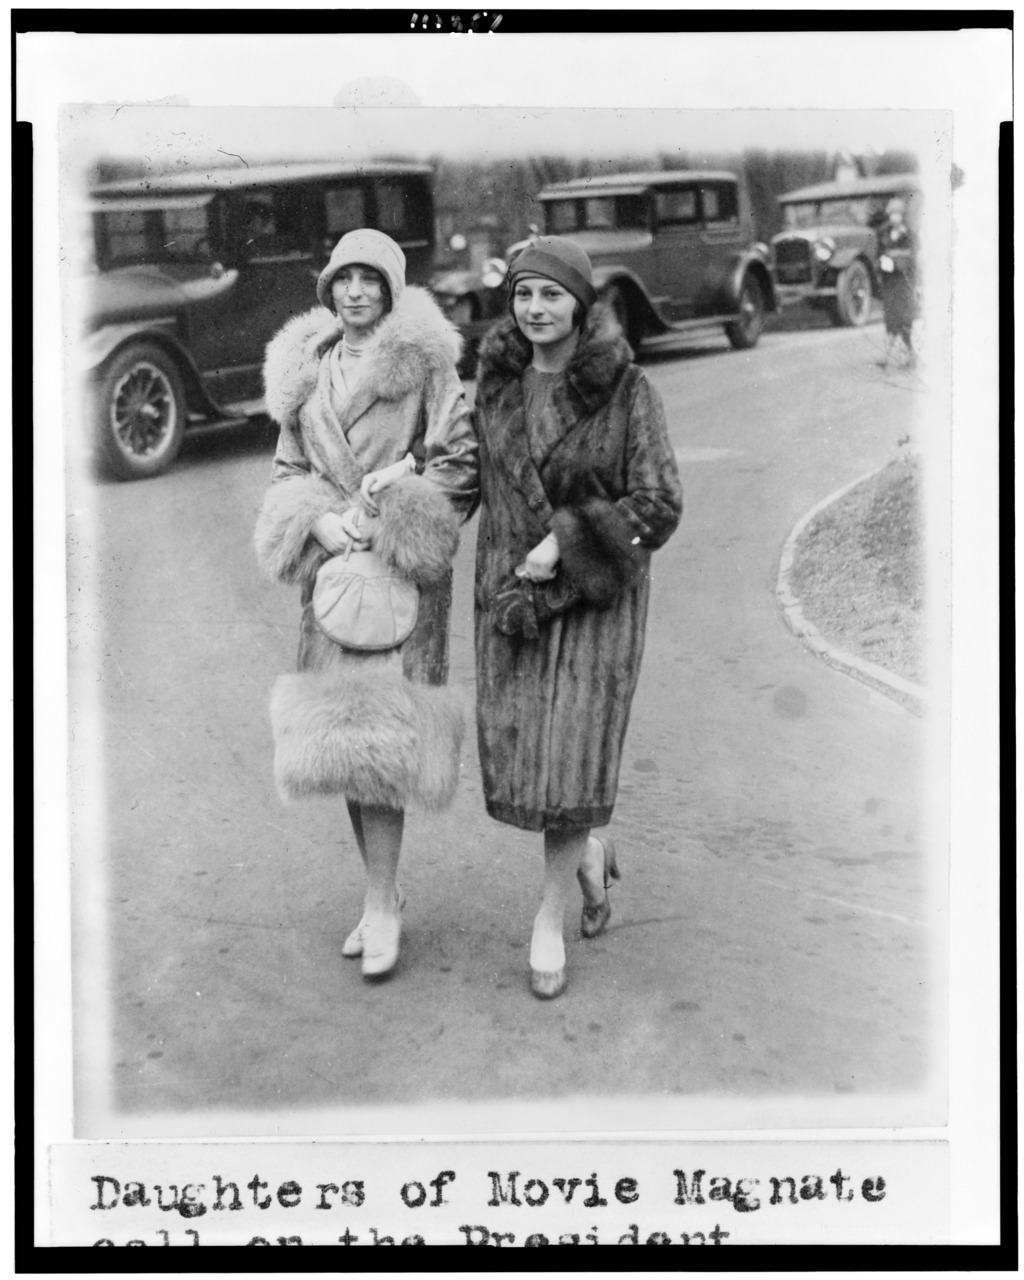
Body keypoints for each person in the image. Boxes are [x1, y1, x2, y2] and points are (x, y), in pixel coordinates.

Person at [254, 228, 477, 980]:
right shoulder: (307, 372)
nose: (355, 291)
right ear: (328, 288)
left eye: (370, 279)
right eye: (343, 278)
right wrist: (317, 521)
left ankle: (381, 901)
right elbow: (287, 470)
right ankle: (382, 890)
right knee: (344, 745)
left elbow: (460, 463)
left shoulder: (427, 365)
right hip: (333, 577)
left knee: (381, 742)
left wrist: (396, 505)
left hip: (397, 575)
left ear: (391, 288)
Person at [472, 236, 683, 1000]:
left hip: (593, 601)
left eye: (551, 295)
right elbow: (465, 480)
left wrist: (564, 543)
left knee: (569, 763)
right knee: (528, 764)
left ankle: (549, 918)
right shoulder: (494, 385)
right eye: (523, 294)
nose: (535, 309)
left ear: (580, 304)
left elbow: (658, 504)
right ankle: (588, 856)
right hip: (512, 598)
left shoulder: (627, 389)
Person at [876, 197, 920, 368]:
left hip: (904, 282)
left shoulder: (910, 234)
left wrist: (896, 264)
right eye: (892, 214)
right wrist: (881, 264)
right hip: (889, 282)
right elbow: (878, 254)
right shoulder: (883, 233)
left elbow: (912, 258)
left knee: (904, 320)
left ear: (903, 215)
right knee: (891, 320)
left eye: (898, 214)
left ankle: (904, 355)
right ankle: (892, 356)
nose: (895, 217)